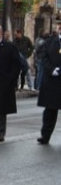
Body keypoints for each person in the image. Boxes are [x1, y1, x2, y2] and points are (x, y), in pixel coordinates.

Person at [36, 15, 61, 145]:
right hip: (52, 81)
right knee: (50, 111)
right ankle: (45, 136)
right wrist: (51, 69)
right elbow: (43, 56)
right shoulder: (50, 41)